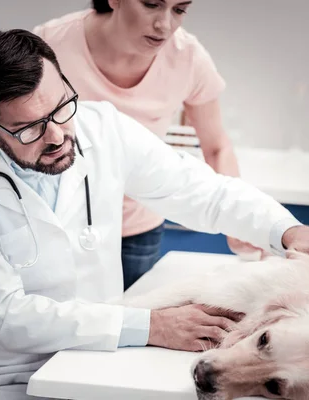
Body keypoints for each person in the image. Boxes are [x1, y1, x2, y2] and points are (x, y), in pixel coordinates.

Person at [0, 29, 309, 399]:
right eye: (29, 127)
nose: (57, 136)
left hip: (98, 354)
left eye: (61, 108)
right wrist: (151, 326)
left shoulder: (101, 127)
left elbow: (203, 192)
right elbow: (6, 316)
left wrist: (287, 230)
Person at [33, 0, 259, 290]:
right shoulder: (51, 45)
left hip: (136, 228)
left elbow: (216, 146)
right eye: (152, 4)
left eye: (179, 10)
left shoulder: (188, 58)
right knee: (58, 325)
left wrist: (236, 216)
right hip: (57, 223)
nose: (164, 25)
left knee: (130, 325)